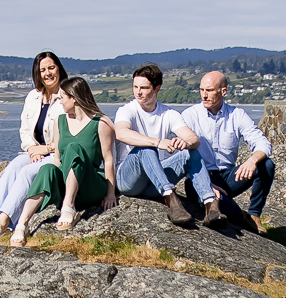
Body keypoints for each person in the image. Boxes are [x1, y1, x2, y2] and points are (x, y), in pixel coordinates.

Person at [11, 77, 116, 244]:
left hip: (90, 184)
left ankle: (69, 207)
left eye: (62, 98)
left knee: (74, 148)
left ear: (73, 98)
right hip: (67, 184)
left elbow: (109, 160)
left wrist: (110, 193)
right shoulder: (60, 121)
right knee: (46, 169)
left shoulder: (101, 122)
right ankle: (22, 224)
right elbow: (58, 160)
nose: (59, 102)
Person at [0, 51, 68, 239]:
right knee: (15, 166)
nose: (47, 73)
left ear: (59, 68)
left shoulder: (67, 96)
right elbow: (25, 130)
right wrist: (31, 149)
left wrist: (47, 148)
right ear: (37, 73)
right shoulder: (33, 96)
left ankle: (4, 220)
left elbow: (70, 134)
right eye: (43, 70)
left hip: (56, 154)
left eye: (51, 68)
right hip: (35, 151)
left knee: (27, 172)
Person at [111, 63, 214, 228]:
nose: (138, 92)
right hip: (128, 179)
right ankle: (170, 199)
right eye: (135, 86)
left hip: (155, 179)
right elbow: (121, 133)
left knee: (191, 152)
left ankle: (210, 205)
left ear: (156, 89)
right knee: (145, 147)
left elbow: (194, 139)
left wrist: (185, 142)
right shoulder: (126, 110)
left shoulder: (169, 114)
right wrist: (157, 142)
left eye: (144, 87)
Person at [179, 70, 275, 230]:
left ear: (223, 91)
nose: (204, 95)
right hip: (198, 178)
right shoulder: (190, 115)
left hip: (227, 177)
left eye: (209, 90)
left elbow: (263, 144)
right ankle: (242, 218)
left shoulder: (237, 115)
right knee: (222, 205)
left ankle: (254, 214)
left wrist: (252, 160)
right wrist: (206, 183)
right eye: (201, 90)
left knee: (266, 165)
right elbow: (181, 153)